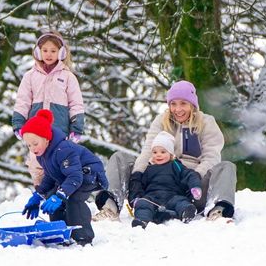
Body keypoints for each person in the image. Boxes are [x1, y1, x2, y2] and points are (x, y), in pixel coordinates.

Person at [93, 80, 236, 222]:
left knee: (226, 167)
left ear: (192, 105)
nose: (178, 109)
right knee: (120, 158)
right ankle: (110, 208)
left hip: (193, 187)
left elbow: (211, 156)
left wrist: (195, 178)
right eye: (173, 104)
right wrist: (137, 176)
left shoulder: (206, 122)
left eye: (183, 103)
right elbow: (148, 151)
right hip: (159, 181)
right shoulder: (161, 121)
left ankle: (218, 212)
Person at [20, 109, 107, 245]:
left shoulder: (63, 149)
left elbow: (75, 177)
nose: (32, 148)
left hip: (89, 174)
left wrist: (60, 195)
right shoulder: (43, 155)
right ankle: (60, 233)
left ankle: (82, 237)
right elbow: (50, 175)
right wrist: (39, 195)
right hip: (71, 177)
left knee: (73, 198)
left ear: (46, 138)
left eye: (35, 143)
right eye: (29, 145)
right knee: (52, 196)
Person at [12, 31, 85, 187]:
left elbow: (76, 103)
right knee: (36, 160)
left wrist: (77, 128)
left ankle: (60, 189)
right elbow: (22, 101)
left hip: (59, 130)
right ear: (38, 51)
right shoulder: (30, 76)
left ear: (61, 52)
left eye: (53, 51)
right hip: (35, 131)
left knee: (59, 159)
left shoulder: (68, 77)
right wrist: (18, 123)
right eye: (45, 50)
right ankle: (40, 188)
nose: (49, 54)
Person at [128, 131, 202, 228]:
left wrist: (195, 187)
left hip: (173, 196)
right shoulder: (149, 169)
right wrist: (137, 198)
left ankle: (186, 212)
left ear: (171, 154)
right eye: (155, 152)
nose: (158, 155)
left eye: (163, 152)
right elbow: (141, 184)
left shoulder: (176, 166)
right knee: (143, 203)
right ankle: (142, 220)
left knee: (181, 202)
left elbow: (190, 175)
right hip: (152, 197)